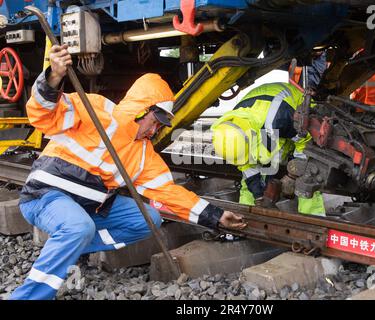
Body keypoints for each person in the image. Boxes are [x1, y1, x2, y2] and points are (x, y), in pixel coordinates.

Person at [10, 44, 246, 300]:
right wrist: (54, 77)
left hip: (88, 207)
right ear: (143, 111)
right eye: (155, 122)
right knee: (77, 227)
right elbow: (43, 115)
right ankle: (27, 296)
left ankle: (71, 243)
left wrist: (216, 216)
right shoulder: (97, 111)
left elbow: (169, 193)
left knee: (149, 219)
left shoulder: (143, 154)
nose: (155, 130)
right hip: (45, 196)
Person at [211, 82, 325, 216]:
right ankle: (245, 217)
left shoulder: (281, 118)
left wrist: (293, 175)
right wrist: (259, 196)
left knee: (306, 179)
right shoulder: (234, 130)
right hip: (270, 126)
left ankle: (313, 220)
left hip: (300, 118)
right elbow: (247, 168)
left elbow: (306, 144)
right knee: (250, 182)